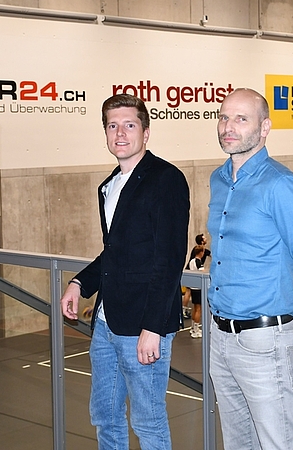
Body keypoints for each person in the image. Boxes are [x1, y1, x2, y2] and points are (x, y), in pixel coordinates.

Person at [60, 93, 190, 450]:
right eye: (112, 126)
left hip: (143, 327)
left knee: (147, 423)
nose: (120, 133)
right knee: (105, 416)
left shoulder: (166, 179)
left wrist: (153, 327)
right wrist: (79, 283)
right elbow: (115, 252)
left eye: (129, 125)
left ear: (145, 133)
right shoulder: (110, 185)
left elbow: (169, 259)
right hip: (106, 322)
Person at [207, 88, 293, 450]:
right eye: (223, 117)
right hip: (221, 338)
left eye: (241, 119)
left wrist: (289, 322)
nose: (228, 127)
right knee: (238, 442)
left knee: (279, 443)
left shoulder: (281, 185)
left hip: (263, 342)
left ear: (265, 128)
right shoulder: (219, 180)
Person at [183, 234, 211, 318]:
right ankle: (184, 309)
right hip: (192, 270)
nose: (206, 238)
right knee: (189, 291)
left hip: (194, 269)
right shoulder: (199, 251)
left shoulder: (202, 250)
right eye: (204, 238)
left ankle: (185, 310)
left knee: (193, 298)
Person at [186, 245, 205, 338]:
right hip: (198, 289)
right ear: (201, 252)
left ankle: (193, 327)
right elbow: (203, 272)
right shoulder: (198, 262)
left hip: (193, 288)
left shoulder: (191, 261)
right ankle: (196, 330)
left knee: (195, 308)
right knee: (198, 309)